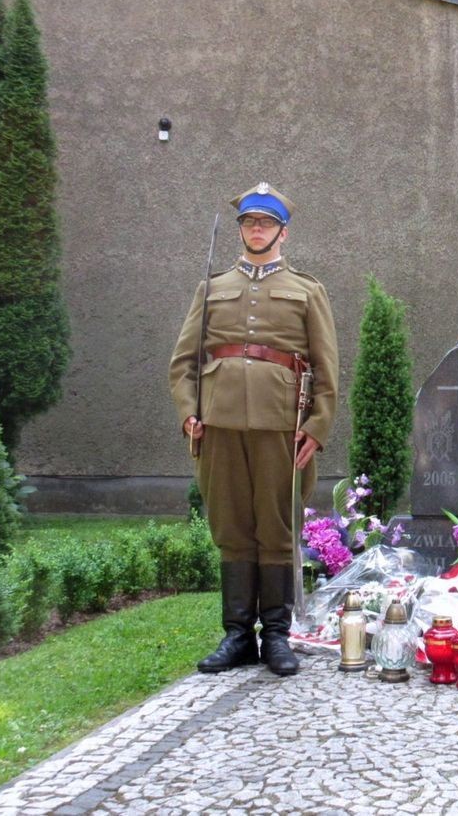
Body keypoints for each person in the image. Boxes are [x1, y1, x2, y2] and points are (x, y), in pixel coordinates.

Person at [169, 182, 339, 676]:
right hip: (218, 425)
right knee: (232, 528)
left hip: (281, 427)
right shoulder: (213, 288)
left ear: (283, 232)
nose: (257, 229)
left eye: (265, 223)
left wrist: (318, 426)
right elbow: (182, 363)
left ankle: (278, 635)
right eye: (249, 222)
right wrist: (187, 412)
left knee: (277, 527)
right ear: (241, 228)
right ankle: (238, 635)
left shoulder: (307, 291)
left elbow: (327, 369)